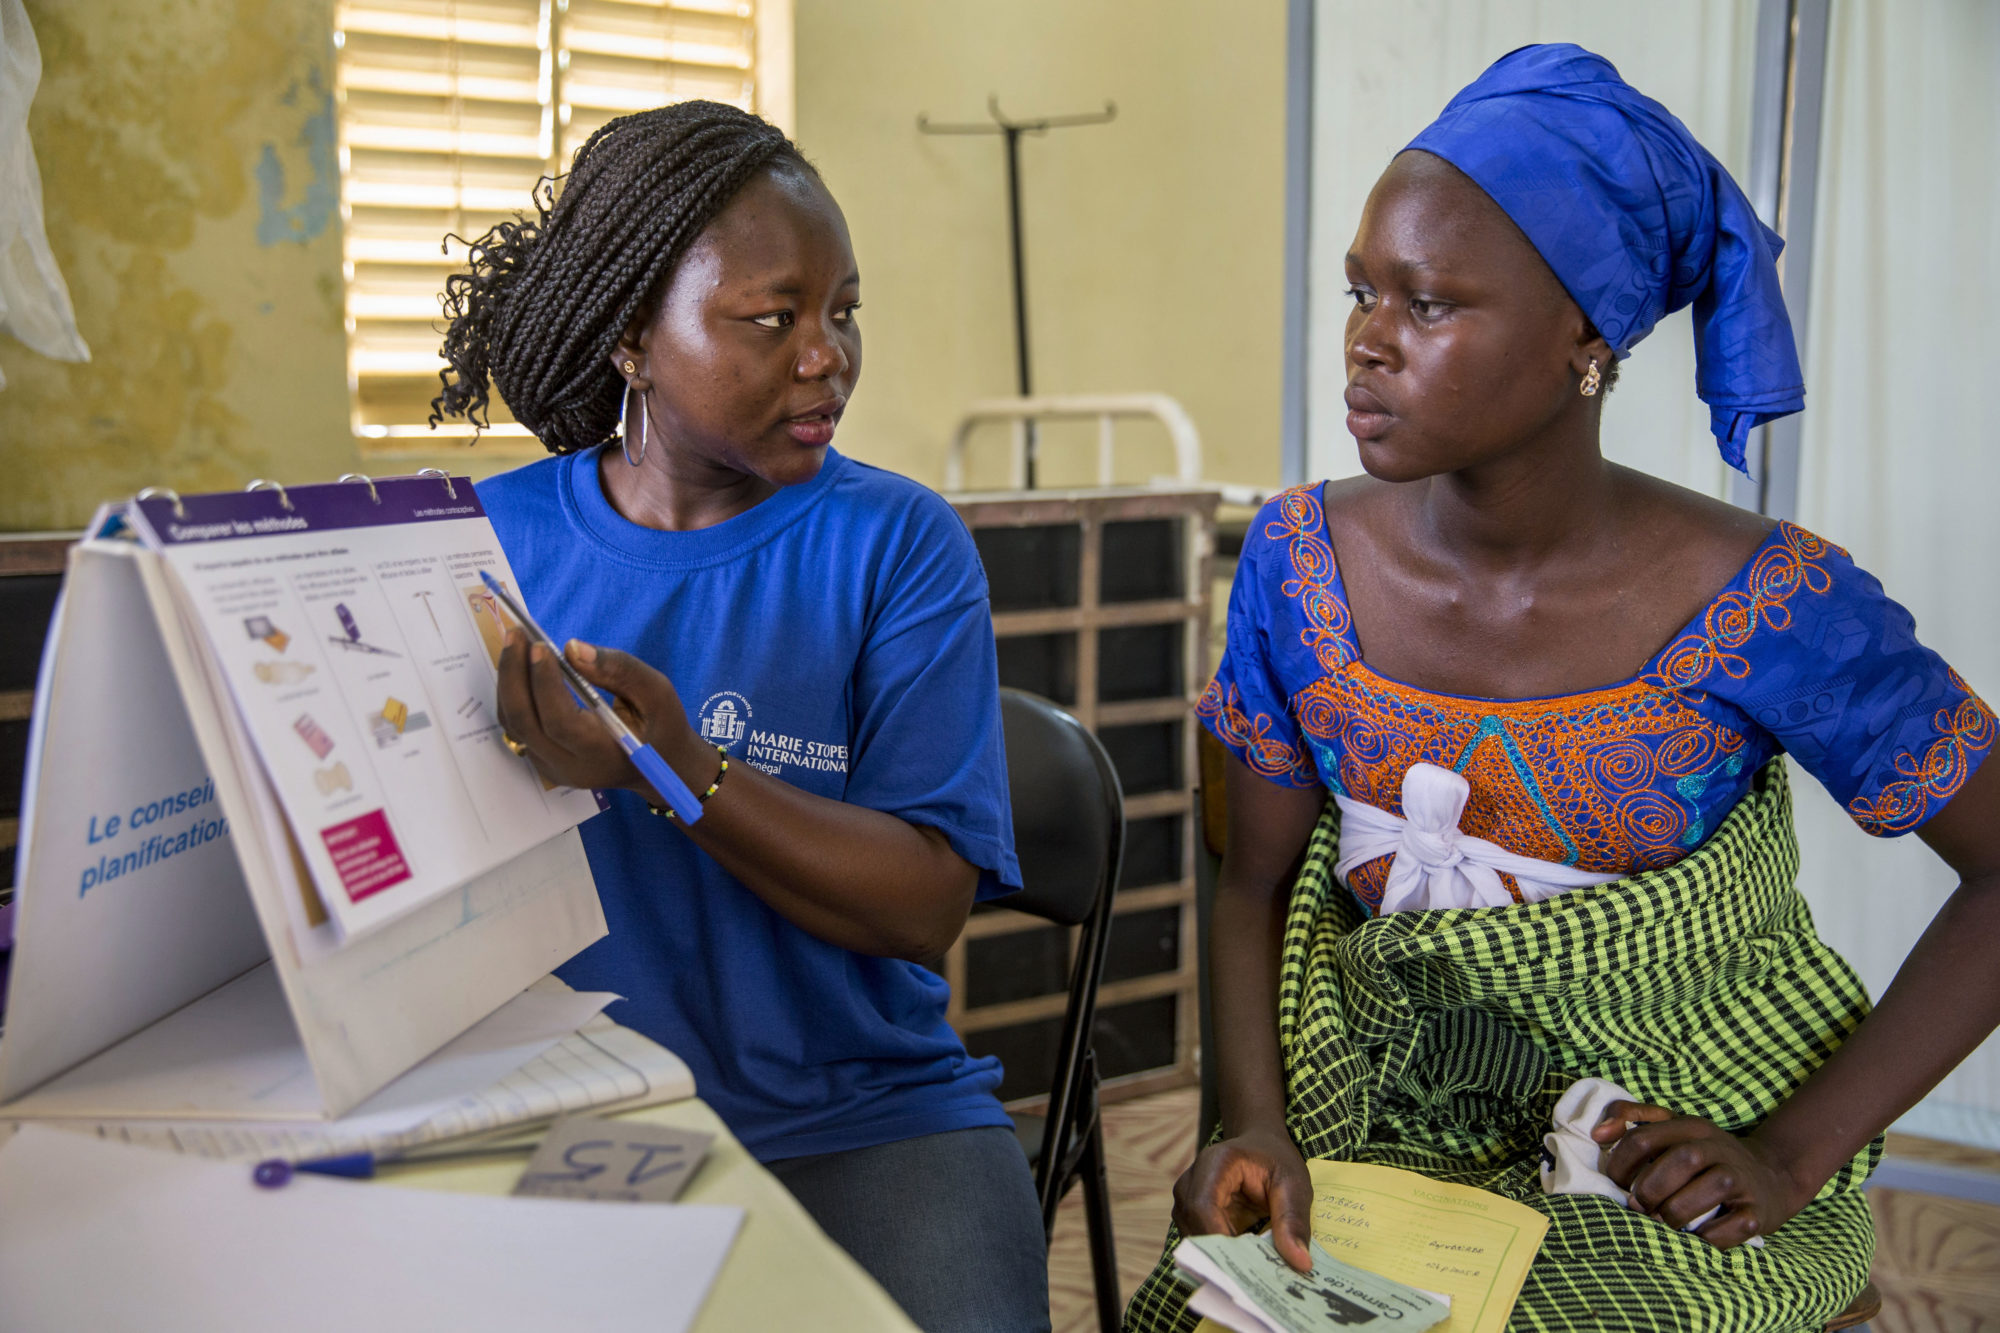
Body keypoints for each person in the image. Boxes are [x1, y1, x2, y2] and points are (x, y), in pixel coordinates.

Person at [1128, 44, 2000, 1332]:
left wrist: (1790, 1150)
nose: (1365, 341)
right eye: (1359, 289)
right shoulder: (1299, 559)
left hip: (1651, 1136)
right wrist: (1252, 1118)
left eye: (1426, 306)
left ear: (1584, 336)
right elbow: (1253, 878)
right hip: (1357, 1100)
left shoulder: (1765, 603)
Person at [430, 101, 1051, 1333]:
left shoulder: (896, 546)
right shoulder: (489, 546)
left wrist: (673, 765)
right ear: (631, 341)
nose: (826, 356)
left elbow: (923, 906)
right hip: (579, 1115)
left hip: (860, 1118)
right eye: (773, 319)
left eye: (843, 312)